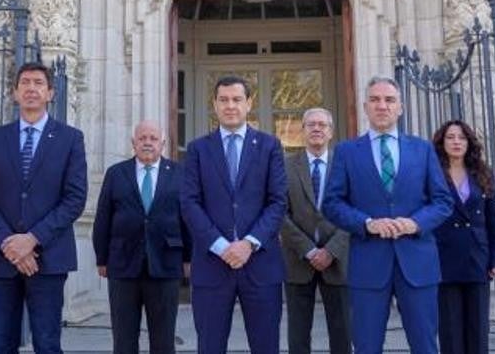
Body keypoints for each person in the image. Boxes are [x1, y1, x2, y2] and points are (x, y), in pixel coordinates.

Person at [322, 76, 453, 354]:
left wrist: (414, 222)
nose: (382, 106)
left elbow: (442, 201)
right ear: (365, 106)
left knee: (425, 346)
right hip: (368, 265)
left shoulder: (423, 149)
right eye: (375, 100)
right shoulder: (346, 151)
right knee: (367, 346)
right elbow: (332, 203)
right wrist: (367, 223)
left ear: (400, 108)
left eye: (389, 100)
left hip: (417, 264)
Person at [0, 62, 87, 354]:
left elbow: (74, 198)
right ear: (14, 93)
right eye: (25, 82)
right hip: (2, 258)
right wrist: (10, 244)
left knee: (47, 343)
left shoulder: (70, 139)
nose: (31, 88)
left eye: (38, 83)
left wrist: (32, 239)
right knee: (0, 343)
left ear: (50, 92)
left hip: (48, 257)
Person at [181, 75, 288, 354]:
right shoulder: (197, 149)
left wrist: (249, 243)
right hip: (212, 265)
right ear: (214, 105)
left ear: (249, 103)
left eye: (237, 99)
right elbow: (190, 203)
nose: (230, 106)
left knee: (266, 347)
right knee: (210, 347)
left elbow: (278, 202)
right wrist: (220, 246)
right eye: (224, 100)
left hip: (260, 265)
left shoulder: (269, 146)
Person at [93, 121, 191, 354]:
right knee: (124, 339)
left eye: (153, 138)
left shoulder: (180, 173)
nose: (148, 142)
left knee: (164, 340)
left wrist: (189, 257)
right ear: (133, 143)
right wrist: (101, 258)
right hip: (122, 265)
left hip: (165, 264)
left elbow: (187, 219)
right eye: (143, 138)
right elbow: (103, 217)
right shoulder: (116, 173)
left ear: (163, 144)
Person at [280, 108, 351, 354]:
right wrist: (309, 250)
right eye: (311, 125)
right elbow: (280, 212)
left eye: (322, 124)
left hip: (338, 260)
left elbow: (355, 211)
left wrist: (331, 250)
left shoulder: (346, 166)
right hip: (298, 261)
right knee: (298, 336)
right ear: (303, 130)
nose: (317, 129)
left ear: (331, 132)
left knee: (342, 333)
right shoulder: (285, 166)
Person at [431, 119, 495, 354]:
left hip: (477, 258)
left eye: (461, 138)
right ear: (442, 143)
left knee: (478, 330)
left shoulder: (483, 173)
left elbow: (494, 221)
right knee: (450, 332)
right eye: (450, 137)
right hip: (444, 259)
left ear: (469, 143)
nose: (456, 142)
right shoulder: (432, 173)